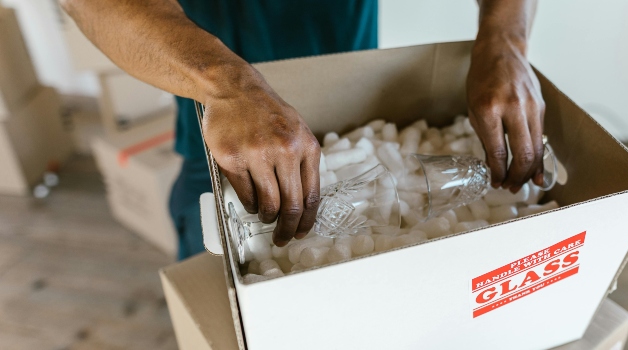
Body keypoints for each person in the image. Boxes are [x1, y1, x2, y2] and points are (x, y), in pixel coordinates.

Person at [62, 0, 546, 260]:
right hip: (222, 145)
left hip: (349, 100)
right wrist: (232, 89)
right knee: (214, 288)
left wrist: (505, 37)